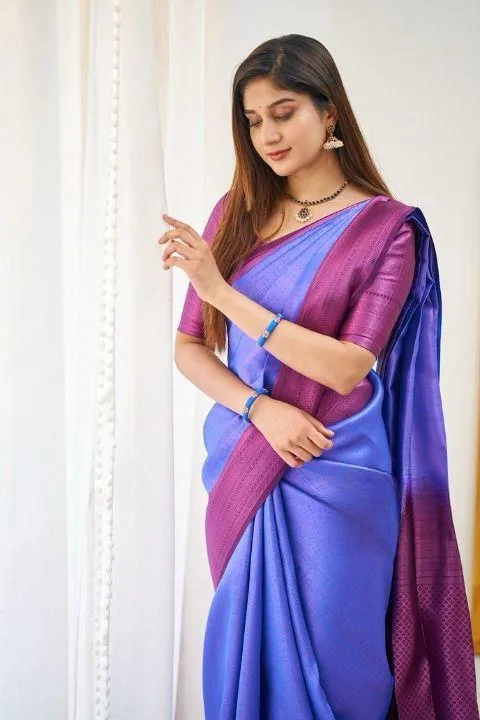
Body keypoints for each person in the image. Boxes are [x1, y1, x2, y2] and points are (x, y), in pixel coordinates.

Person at [160, 34, 479, 720]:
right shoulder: (236, 213)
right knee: (247, 660)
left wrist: (222, 293)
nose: (268, 135)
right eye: (254, 121)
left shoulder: (388, 230)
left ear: (329, 111)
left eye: (284, 113)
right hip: (246, 465)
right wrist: (260, 410)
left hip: (337, 473)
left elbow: (348, 364)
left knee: (343, 674)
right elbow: (188, 349)